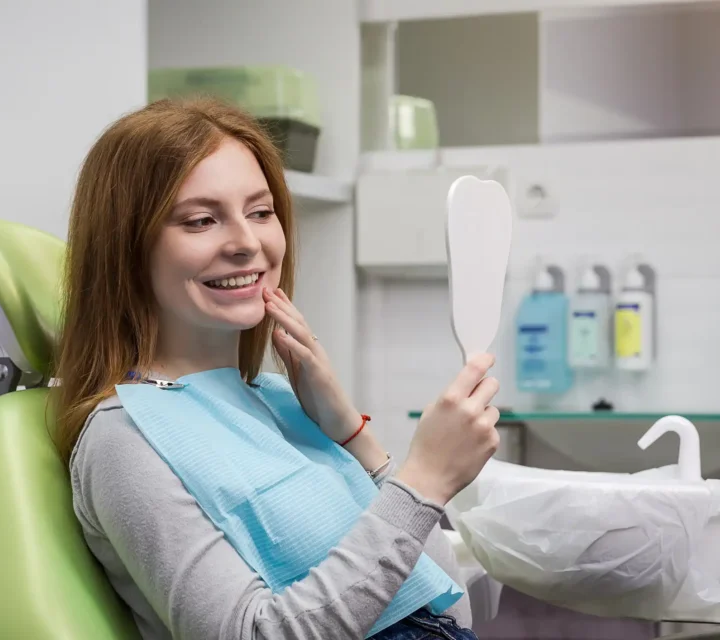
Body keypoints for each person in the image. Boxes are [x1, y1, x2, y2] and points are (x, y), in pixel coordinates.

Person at [54, 97, 501, 640]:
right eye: (201, 220)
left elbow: (442, 608)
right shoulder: (123, 439)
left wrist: (353, 435)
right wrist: (424, 480)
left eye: (261, 212)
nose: (247, 243)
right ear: (125, 248)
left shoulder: (279, 397)